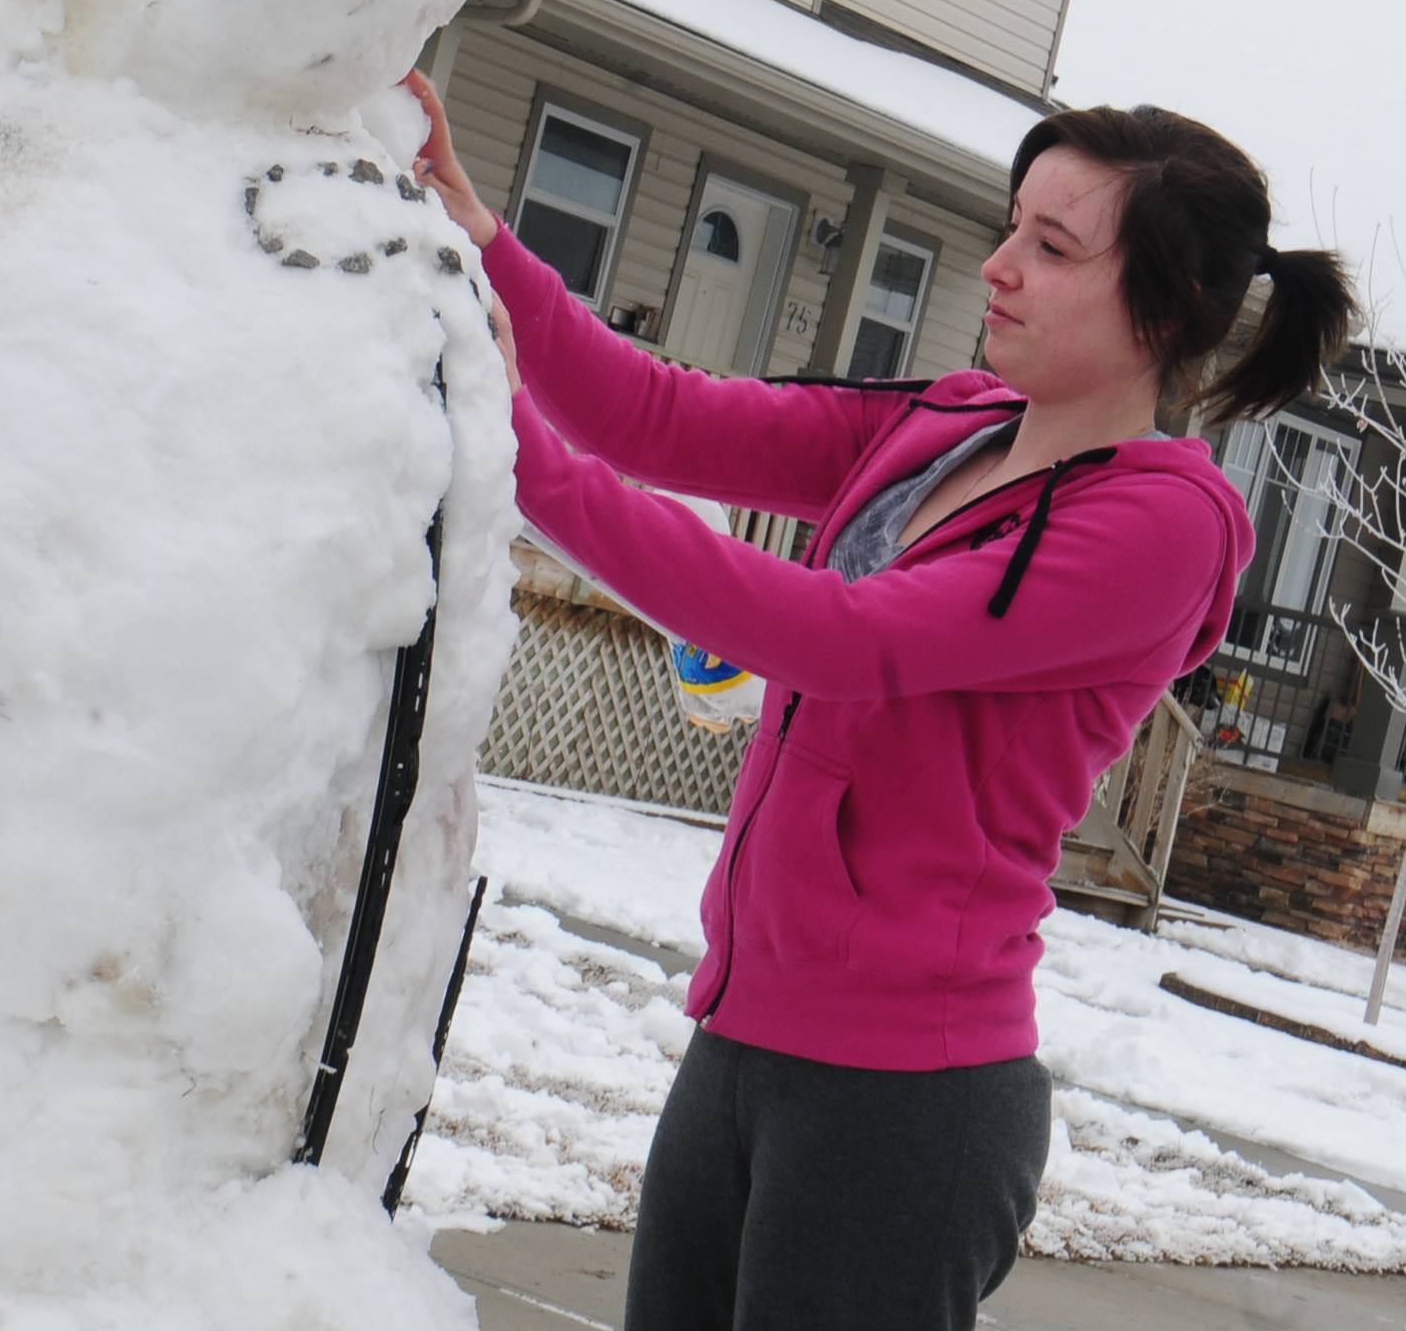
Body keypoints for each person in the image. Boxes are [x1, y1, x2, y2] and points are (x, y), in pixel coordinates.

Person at [402, 78, 1356, 1331]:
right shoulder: (946, 425)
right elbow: (655, 413)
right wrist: (481, 242)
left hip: (905, 1101)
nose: (998, 265)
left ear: (1165, 309)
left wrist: (510, 442)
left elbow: (837, 639)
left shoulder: (1158, 527)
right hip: (746, 1037)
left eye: (1052, 247)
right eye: (1013, 225)